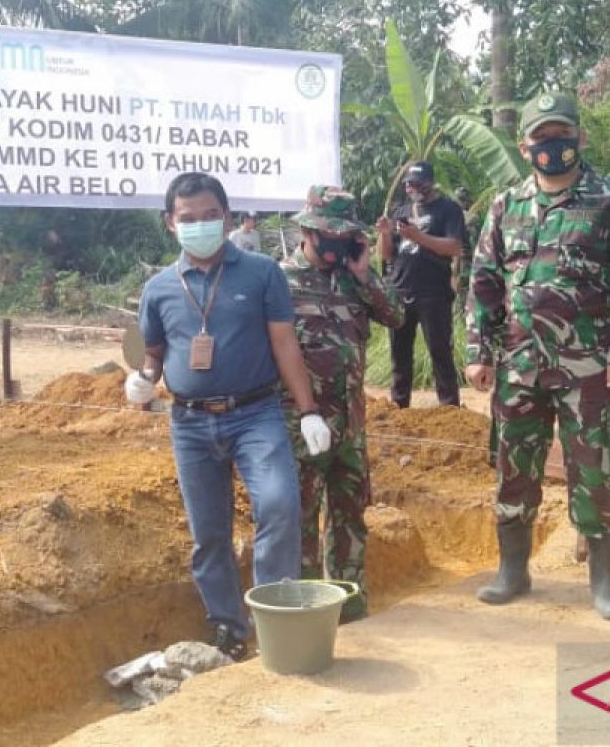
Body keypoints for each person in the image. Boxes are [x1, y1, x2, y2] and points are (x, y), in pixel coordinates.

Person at [126, 172, 332, 660]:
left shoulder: (262, 273)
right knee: (209, 533)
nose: (200, 225)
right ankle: (228, 629)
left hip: (255, 414)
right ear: (170, 224)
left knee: (280, 505)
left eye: (209, 216)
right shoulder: (158, 288)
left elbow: (284, 342)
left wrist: (309, 411)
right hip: (190, 424)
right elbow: (149, 348)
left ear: (226, 216)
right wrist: (141, 375)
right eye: (188, 218)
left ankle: (276, 619)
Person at [465, 91, 610, 621]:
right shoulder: (506, 206)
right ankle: (512, 570)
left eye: (561, 135)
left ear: (579, 138)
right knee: (513, 465)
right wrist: (479, 352)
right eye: (542, 138)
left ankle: (604, 580)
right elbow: (483, 283)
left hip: (587, 366)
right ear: (525, 146)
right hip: (519, 364)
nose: (553, 147)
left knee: (593, 467)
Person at [280, 186, 404, 623]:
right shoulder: (280, 281)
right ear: (306, 231)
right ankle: (307, 615)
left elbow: (396, 318)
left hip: (350, 425)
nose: (333, 244)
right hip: (299, 425)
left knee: (350, 518)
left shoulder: (355, 280)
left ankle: (350, 607)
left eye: (342, 236)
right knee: (300, 524)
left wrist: (365, 274)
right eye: (326, 236)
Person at [376, 160, 466, 408]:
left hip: (433, 293)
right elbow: (387, 255)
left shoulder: (447, 209)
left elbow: (455, 247)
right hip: (400, 290)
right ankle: (398, 406)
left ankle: (449, 409)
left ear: (430, 183)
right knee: (400, 354)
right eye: (407, 184)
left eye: (416, 184)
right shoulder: (401, 212)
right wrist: (385, 233)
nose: (411, 189)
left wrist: (418, 237)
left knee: (440, 352)